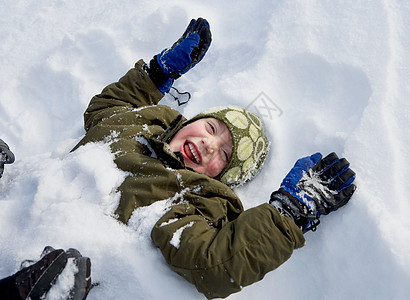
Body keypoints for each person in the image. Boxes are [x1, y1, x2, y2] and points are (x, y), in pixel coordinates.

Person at [1, 18, 356, 299]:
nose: (209, 145)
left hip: (42, 259)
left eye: (225, 155)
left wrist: (289, 211)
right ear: (193, 120)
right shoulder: (140, 121)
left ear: (221, 178)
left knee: (62, 272)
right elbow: (105, 107)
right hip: (13, 198)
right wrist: (157, 73)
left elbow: (215, 263)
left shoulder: (186, 198)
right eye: (212, 128)